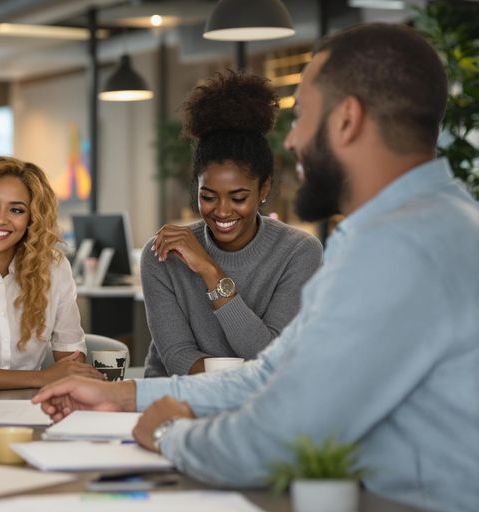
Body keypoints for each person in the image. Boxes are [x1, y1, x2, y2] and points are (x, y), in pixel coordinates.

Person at [32, 23, 479, 512]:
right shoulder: (428, 224)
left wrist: (169, 434)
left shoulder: (401, 247)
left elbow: (284, 430)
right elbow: (274, 372)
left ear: (347, 120)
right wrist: (124, 396)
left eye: (303, 115)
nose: (291, 142)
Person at [142, 70, 323, 377]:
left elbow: (271, 358)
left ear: (264, 189)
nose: (222, 211)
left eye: (238, 197)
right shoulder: (163, 254)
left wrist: (211, 273)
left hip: (256, 408)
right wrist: (245, 376)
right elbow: (178, 359)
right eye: (208, 196)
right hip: (172, 403)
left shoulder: (299, 252)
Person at [0, 156, 103, 390]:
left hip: (32, 408)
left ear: (32, 218)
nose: (1, 219)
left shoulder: (53, 267)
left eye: (16, 209)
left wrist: (61, 376)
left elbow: (70, 362)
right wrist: (42, 378)